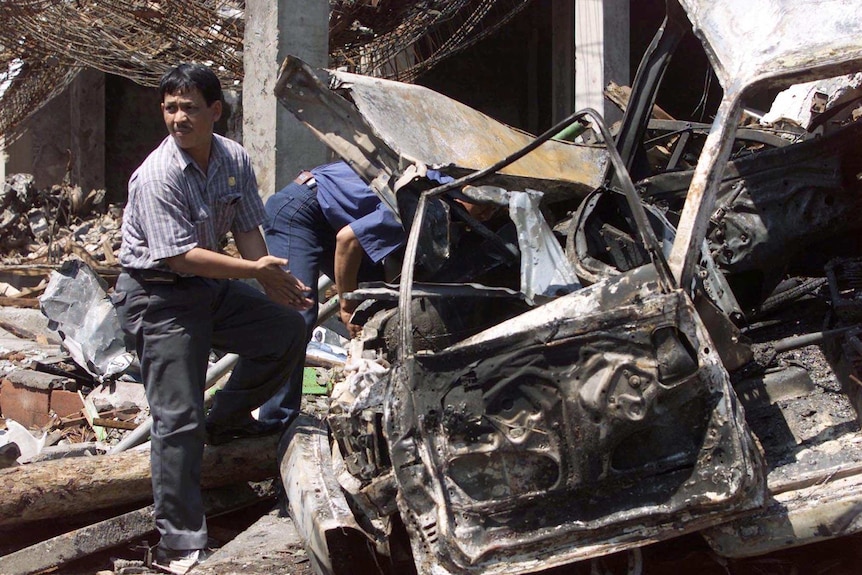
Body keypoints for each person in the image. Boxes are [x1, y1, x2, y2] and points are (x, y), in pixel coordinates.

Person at [112, 63, 312, 575]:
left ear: (215, 111)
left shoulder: (233, 158)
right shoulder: (157, 176)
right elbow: (179, 258)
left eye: (189, 108)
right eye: (170, 108)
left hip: (208, 286)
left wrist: (271, 280)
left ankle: (224, 424)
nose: (178, 118)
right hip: (158, 297)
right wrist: (252, 270)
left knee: (287, 329)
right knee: (177, 418)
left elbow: (247, 228)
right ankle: (179, 543)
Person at [257, 160, 460, 428]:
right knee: (297, 313)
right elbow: (348, 240)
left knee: (376, 303)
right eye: (483, 208)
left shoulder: (448, 197)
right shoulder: (421, 199)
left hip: (334, 218)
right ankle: (275, 421)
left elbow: (395, 265)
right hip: (301, 210)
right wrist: (346, 305)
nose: (485, 215)